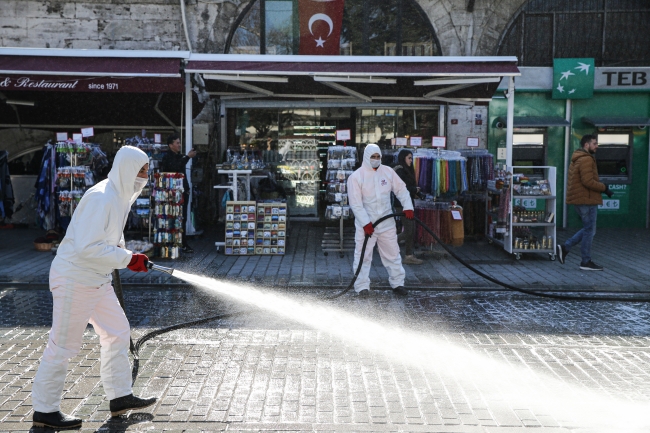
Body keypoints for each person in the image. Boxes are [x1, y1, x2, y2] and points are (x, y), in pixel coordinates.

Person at [31, 146, 157, 429]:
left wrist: (127, 253)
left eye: (147, 170)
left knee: (117, 333)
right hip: (75, 279)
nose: (145, 176)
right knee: (61, 346)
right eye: (141, 170)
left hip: (97, 280)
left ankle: (120, 397)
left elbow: (110, 235)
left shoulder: (119, 195)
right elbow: (89, 247)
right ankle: (44, 412)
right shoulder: (102, 197)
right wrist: (128, 259)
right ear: (126, 169)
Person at [347, 144, 414, 297]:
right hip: (367, 226)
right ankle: (362, 286)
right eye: (373, 157)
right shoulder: (356, 177)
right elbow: (356, 204)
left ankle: (398, 283)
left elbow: (401, 190)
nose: (376, 160)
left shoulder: (388, 172)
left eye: (378, 157)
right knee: (363, 256)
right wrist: (365, 223)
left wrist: (408, 207)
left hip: (386, 223)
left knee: (393, 254)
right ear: (366, 157)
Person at [556, 134, 613, 271]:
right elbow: (587, 181)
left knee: (589, 229)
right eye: (594, 143)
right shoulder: (587, 159)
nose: (596, 146)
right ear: (586, 145)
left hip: (581, 199)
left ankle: (566, 247)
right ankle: (585, 261)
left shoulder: (577, 158)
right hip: (586, 199)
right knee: (589, 230)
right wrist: (604, 188)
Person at [161, 134, 197, 253]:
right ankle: (173, 243)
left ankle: (182, 242)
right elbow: (175, 168)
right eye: (177, 143)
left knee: (183, 218)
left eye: (179, 142)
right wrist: (187, 157)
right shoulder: (167, 158)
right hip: (173, 193)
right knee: (174, 218)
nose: (179, 145)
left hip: (182, 191)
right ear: (170, 145)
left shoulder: (179, 156)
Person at [392, 149, 423, 265]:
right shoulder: (399, 170)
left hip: (408, 203)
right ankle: (387, 243)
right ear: (403, 158)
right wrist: (414, 189)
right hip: (401, 204)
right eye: (409, 158)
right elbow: (400, 188)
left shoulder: (407, 170)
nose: (411, 160)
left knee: (411, 230)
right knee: (409, 230)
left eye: (411, 158)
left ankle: (409, 255)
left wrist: (415, 191)